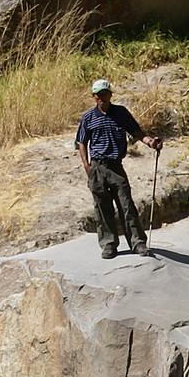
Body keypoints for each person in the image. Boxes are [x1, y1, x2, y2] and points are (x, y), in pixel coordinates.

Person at [74, 79, 161, 259]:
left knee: (126, 205)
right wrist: (87, 167)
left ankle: (137, 243)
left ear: (110, 95)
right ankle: (109, 245)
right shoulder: (88, 118)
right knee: (102, 208)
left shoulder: (121, 113)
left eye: (105, 94)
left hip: (116, 166)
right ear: (94, 96)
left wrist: (151, 142)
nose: (102, 98)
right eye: (98, 95)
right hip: (97, 167)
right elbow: (81, 142)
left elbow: (137, 132)